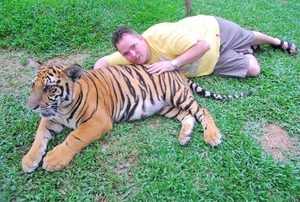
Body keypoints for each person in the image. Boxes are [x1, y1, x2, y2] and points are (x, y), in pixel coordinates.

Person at [94, 15, 298, 78]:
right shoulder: (129, 55)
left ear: (141, 38)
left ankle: (275, 41)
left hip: (214, 31)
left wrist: (172, 64)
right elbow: (101, 62)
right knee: (254, 70)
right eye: (126, 53)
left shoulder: (162, 35)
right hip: (210, 63)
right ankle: (246, 52)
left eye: (134, 47)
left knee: (247, 36)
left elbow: (203, 45)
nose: (132, 55)